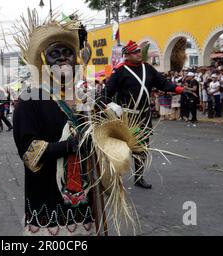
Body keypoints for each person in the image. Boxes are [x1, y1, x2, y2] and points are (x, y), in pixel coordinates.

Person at [12, 15, 97, 236]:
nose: (62, 59)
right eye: (54, 54)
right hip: (46, 200)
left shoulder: (83, 99)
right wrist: (69, 146)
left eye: (68, 53)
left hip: (83, 200)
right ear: (43, 59)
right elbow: (29, 153)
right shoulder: (30, 98)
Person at [101, 40, 184, 189]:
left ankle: (139, 177)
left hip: (144, 117)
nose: (139, 54)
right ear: (127, 55)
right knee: (122, 148)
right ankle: (115, 176)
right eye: (135, 52)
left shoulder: (148, 68)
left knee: (142, 147)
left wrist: (178, 89)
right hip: (127, 117)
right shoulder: (120, 71)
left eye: (139, 51)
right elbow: (107, 92)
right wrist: (109, 106)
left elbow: (162, 83)